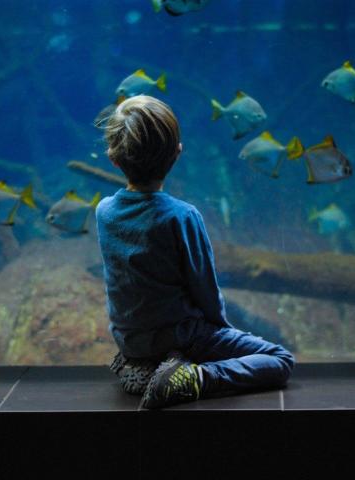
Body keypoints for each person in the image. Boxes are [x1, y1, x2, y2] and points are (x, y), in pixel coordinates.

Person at [95, 95, 295, 409]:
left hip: (130, 339)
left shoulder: (104, 211)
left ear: (113, 159)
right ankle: (194, 378)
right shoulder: (181, 216)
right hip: (181, 335)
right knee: (279, 359)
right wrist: (220, 329)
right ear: (177, 154)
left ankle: (140, 366)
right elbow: (204, 286)